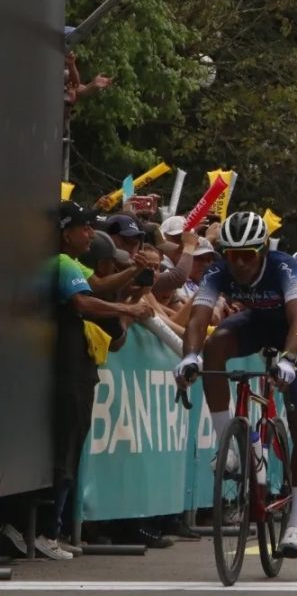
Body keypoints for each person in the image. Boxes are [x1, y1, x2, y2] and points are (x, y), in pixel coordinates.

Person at [173, 211, 297, 559]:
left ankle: (296, 524)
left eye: (247, 255)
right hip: (258, 322)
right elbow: (198, 318)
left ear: (262, 251)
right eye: (232, 254)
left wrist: (288, 361)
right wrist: (189, 356)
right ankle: (232, 448)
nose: (239, 263)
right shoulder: (217, 271)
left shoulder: (284, 268)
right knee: (214, 348)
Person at [50, 202, 152, 559]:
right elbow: (82, 303)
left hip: (77, 369)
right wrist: (128, 309)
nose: (91, 234)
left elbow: (98, 284)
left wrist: (134, 275)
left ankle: (55, 530)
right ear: (66, 233)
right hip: (68, 369)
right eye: (84, 228)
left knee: (71, 444)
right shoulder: (62, 263)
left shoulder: (74, 264)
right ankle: (49, 531)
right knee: (64, 445)